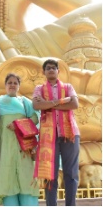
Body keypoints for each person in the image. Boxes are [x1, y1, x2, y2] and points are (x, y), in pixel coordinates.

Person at [32, 59, 80, 206]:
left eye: (54, 68)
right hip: (49, 136)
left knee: (71, 173)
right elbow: (36, 105)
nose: (51, 70)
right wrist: (60, 102)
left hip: (70, 134)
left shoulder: (68, 86)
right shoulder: (39, 89)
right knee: (49, 173)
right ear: (44, 72)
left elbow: (75, 104)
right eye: (48, 68)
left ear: (58, 71)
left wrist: (48, 104)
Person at [0, 73, 40, 206]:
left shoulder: (25, 102)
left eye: (15, 83)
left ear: (19, 86)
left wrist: (19, 125)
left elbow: (35, 118)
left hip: (24, 149)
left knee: (26, 179)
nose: (12, 85)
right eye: (10, 82)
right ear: (5, 85)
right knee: (8, 180)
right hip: (5, 149)